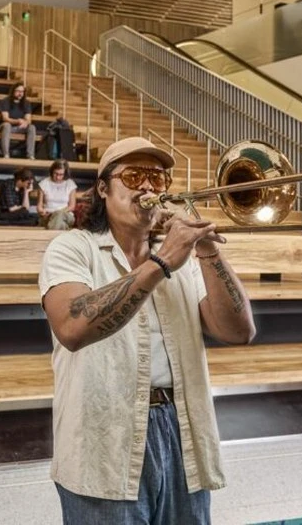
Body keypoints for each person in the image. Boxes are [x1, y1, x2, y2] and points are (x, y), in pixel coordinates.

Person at [38, 136, 256, 524]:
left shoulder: (186, 257)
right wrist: (163, 260)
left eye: (158, 179)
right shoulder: (73, 248)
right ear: (103, 188)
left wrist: (208, 251)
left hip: (183, 427)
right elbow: (72, 327)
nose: (148, 188)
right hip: (103, 433)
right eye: (134, 176)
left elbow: (239, 331)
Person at [0, 82, 36, 159]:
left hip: (20, 127)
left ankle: (30, 155)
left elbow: (28, 119)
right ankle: (6, 154)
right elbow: (5, 118)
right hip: (6, 126)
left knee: (31, 127)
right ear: (13, 91)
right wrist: (18, 121)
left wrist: (25, 122)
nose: (20, 93)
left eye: (22, 92)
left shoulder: (26, 103)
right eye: (18, 91)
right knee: (7, 125)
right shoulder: (5, 101)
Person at [38, 159, 78, 230]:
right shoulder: (44, 183)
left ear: (65, 173)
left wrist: (58, 212)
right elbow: (39, 206)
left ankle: (50, 235)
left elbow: (72, 206)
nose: (58, 177)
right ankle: (57, 236)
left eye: (61, 174)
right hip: (48, 216)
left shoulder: (70, 184)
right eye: (55, 173)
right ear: (52, 171)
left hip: (66, 214)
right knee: (61, 225)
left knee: (59, 215)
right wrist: (42, 211)